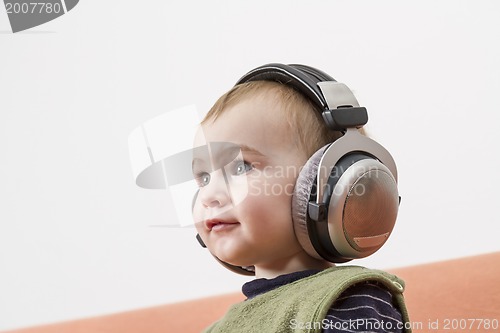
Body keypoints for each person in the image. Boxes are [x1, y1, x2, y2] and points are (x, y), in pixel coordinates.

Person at [192, 64, 410, 333]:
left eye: (241, 167)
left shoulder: (346, 302)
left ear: (325, 187)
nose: (209, 196)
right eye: (203, 177)